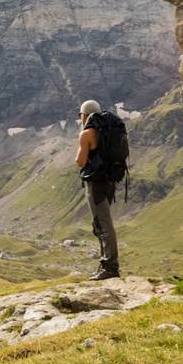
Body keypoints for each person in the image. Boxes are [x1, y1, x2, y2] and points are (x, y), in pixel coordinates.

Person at [75, 99, 120, 280]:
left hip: (95, 184)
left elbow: (80, 161)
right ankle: (105, 264)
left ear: (85, 115)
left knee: (103, 223)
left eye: (81, 116)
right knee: (102, 223)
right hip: (110, 181)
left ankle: (110, 267)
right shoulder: (110, 130)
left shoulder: (87, 134)